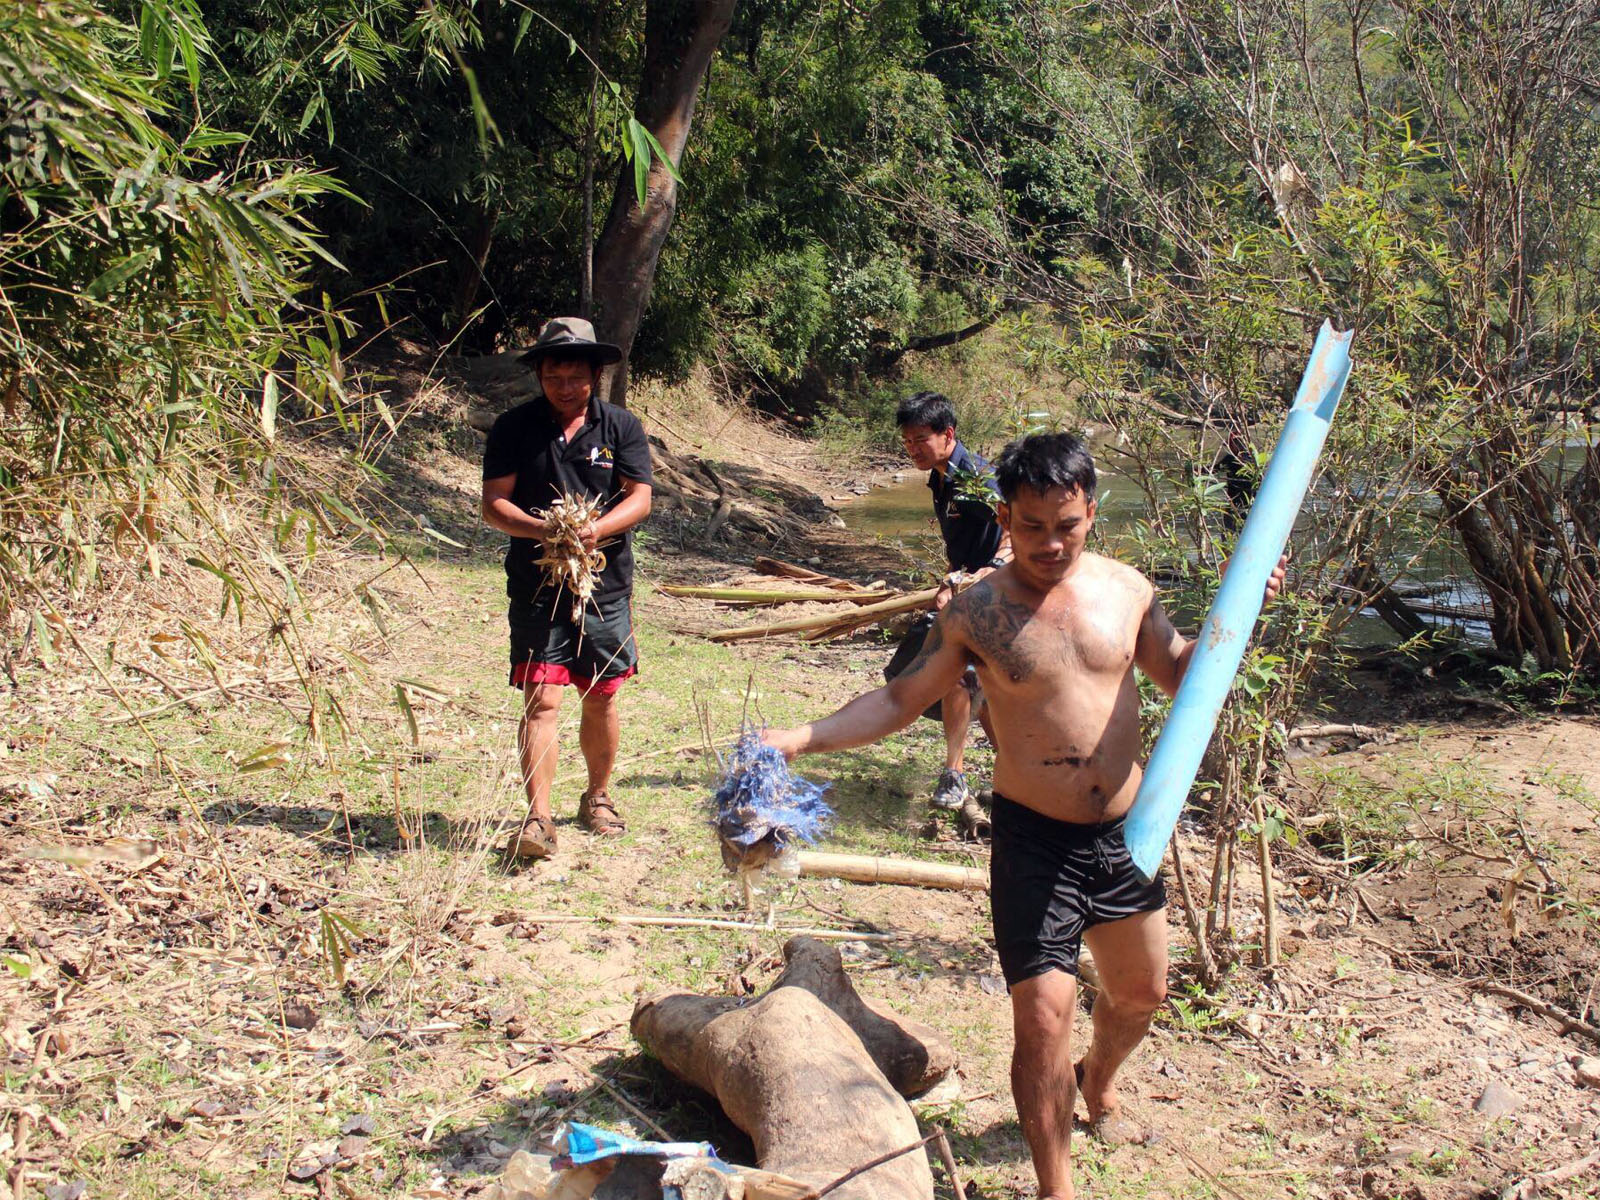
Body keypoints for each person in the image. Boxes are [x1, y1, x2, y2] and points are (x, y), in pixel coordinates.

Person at [765, 432, 1285, 1200]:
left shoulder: (1129, 592)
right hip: (1032, 842)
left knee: (1141, 995)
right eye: (1031, 526)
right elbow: (901, 699)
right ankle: (1056, 1187)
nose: (1049, 543)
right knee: (1044, 1015)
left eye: (1066, 525)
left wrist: (1244, 613)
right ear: (1004, 516)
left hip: (1120, 839)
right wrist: (800, 738)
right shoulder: (978, 611)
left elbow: (1183, 675)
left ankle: (1096, 1081)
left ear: (1091, 514)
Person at [482, 317, 653, 860]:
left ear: (595, 375)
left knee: (600, 695)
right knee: (542, 698)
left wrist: (595, 530)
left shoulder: (620, 427)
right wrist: (542, 529)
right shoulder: (513, 428)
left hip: (603, 585)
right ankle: (538, 819)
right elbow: (494, 504)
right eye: (554, 376)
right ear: (540, 375)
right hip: (537, 584)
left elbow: (640, 498)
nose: (565, 387)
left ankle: (598, 796)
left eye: (576, 377)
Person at [891, 391, 1010, 811]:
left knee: (960, 678)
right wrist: (952, 578)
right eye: (907, 443)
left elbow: (1015, 525)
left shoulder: (976, 476)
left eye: (920, 439)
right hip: (966, 592)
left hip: (998, 598)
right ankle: (1014, 775)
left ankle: (955, 774)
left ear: (948, 434)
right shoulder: (940, 478)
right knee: (982, 690)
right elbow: (963, 547)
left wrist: (992, 566)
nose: (913, 449)